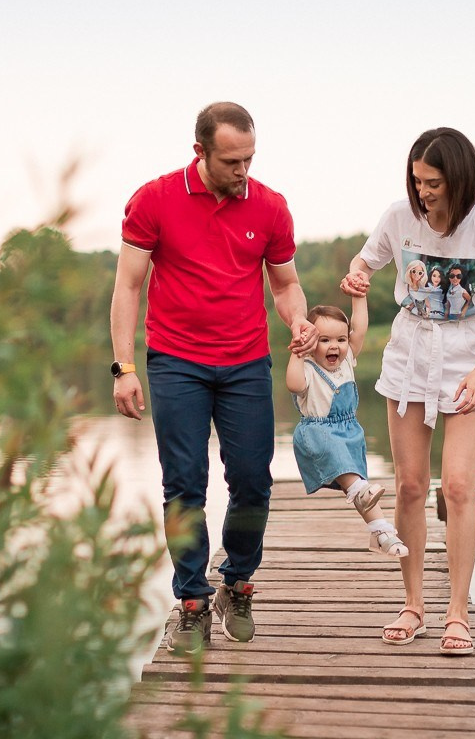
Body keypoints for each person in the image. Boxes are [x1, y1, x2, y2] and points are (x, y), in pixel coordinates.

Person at [110, 102, 317, 654]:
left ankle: (238, 581)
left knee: (252, 481)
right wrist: (124, 367)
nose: (243, 171)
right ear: (199, 151)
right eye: (231, 161)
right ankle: (193, 602)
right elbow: (129, 286)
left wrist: (297, 320)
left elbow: (285, 284)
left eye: (250, 158)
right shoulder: (154, 200)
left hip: (246, 361)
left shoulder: (271, 207)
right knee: (185, 484)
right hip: (176, 361)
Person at [341, 127, 475, 655]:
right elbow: (364, 261)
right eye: (418, 181)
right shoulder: (399, 218)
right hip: (409, 358)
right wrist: (357, 278)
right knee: (409, 488)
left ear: (460, 180)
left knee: (459, 486)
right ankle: (414, 604)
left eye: (434, 183)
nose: (423, 192)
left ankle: (458, 611)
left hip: (469, 359)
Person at [286, 298, 408, 557]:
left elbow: (360, 328)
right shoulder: (307, 367)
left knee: (359, 485)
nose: (335, 346)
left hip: (349, 432)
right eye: (325, 340)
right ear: (310, 343)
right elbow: (295, 386)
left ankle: (381, 532)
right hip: (318, 433)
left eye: (341, 340)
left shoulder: (346, 361)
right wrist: (297, 352)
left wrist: (360, 297)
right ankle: (369, 507)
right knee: (358, 486)